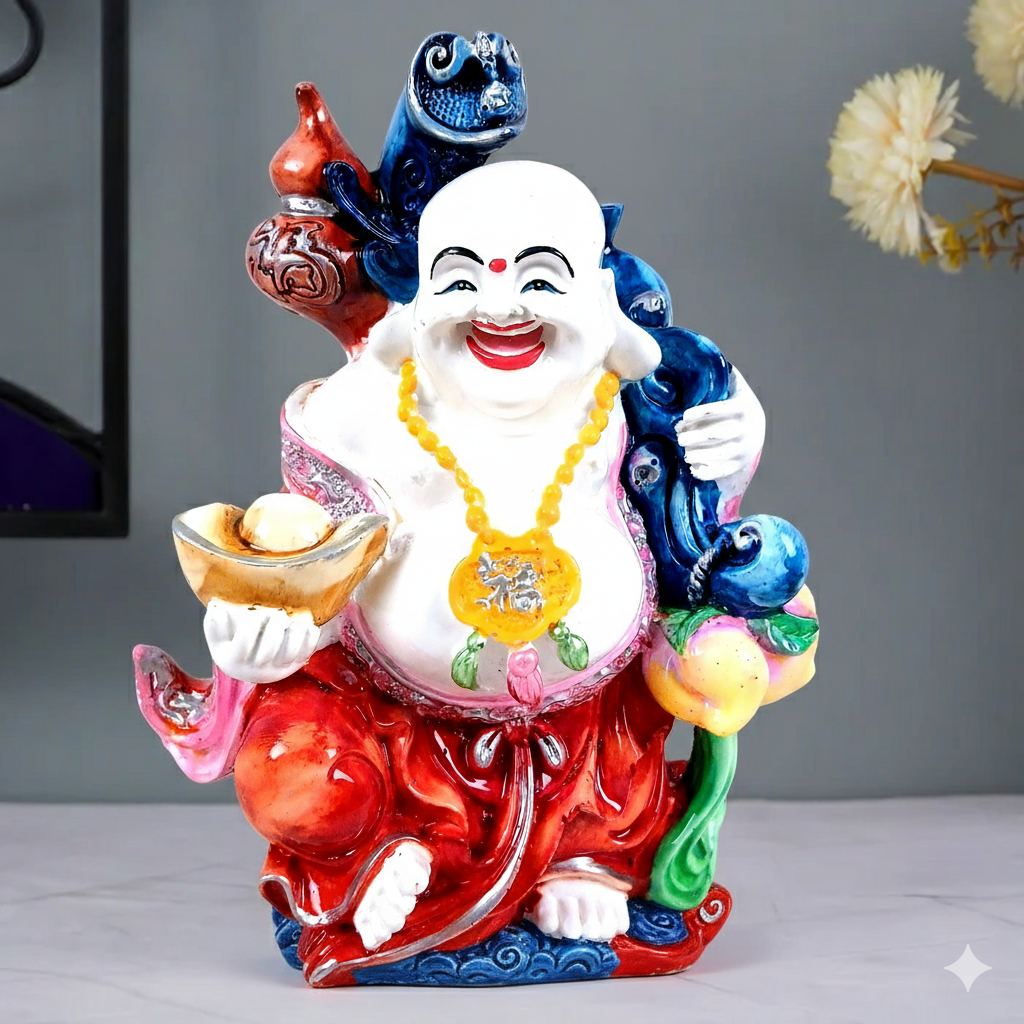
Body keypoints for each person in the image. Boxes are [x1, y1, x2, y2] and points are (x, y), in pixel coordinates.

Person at [138, 161, 767, 986]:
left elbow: (705, 505)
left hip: (587, 724)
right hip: (393, 717)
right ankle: (379, 853)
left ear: (599, 298)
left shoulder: (626, 393)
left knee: (626, 731)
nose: (499, 308)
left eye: (539, 278)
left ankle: (585, 856)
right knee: (291, 773)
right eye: (462, 278)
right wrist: (264, 635)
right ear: (414, 304)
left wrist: (740, 433)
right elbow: (300, 550)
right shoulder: (364, 407)